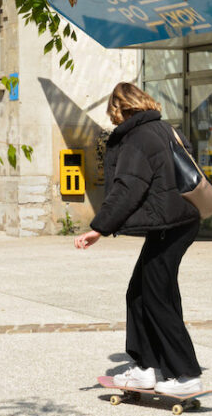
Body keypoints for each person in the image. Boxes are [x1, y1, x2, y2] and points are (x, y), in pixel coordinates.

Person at [74, 83, 205, 396]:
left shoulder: (138, 138)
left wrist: (99, 228)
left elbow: (128, 187)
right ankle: (146, 368)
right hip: (182, 221)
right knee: (140, 292)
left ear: (121, 109)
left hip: (170, 224)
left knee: (158, 297)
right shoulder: (166, 130)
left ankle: (184, 373)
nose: (114, 122)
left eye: (114, 115)